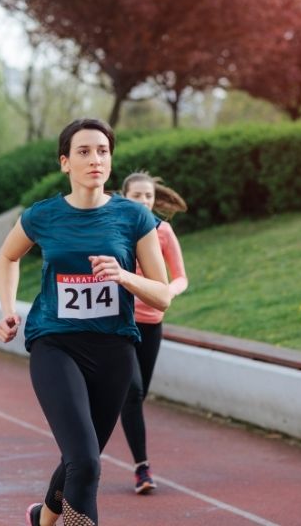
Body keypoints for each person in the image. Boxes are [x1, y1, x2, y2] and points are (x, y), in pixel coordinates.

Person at [0, 118, 172, 526]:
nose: (96, 159)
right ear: (64, 163)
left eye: (103, 151)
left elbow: (162, 294)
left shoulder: (134, 218)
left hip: (114, 351)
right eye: (84, 151)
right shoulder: (44, 216)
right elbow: (8, 257)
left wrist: (124, 275)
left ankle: (43, 517)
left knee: (79, 459)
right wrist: (8, 309)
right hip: (55, 345)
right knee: (86, 462)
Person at [119, 171, 189, 494]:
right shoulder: (115, 227)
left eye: (148, 196)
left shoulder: (163, 232)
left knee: (137, 394)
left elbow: (181, 277)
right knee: (131, 392)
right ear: (124, 197)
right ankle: (142, 469)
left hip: (152, 322)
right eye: (137, 196)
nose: (144, 201)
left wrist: (168, 292)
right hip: (120, 323)